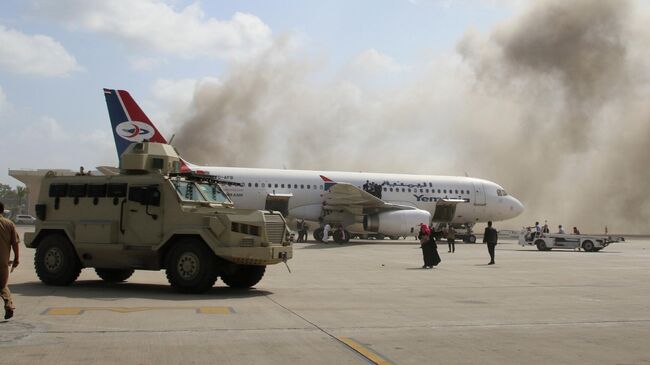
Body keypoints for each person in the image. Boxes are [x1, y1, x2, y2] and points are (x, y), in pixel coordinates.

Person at [0, 201, 20, 320]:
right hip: (3, 261)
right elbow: (15, 243)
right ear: (2, 211)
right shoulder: (9, 224)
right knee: (2, 285)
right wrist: (17, 258)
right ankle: (9, 305)